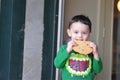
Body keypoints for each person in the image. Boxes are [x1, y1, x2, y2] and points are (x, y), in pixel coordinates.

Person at [54, 14, 103, 80]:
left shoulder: (91, 51)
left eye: (84, 33)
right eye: (76, 32)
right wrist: (67, 51)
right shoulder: (64, 48)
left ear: (89, 34)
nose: (80, 36)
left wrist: (96, 54)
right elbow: (57, 64)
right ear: (69, 32)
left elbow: (98, 70)